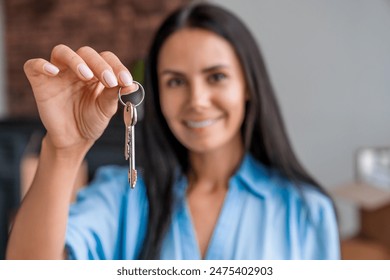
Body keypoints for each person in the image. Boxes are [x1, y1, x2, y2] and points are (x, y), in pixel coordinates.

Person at [6, 2, 340, 260]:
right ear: (158, 94)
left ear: (248, 86)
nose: (197, 100)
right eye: (175, 81)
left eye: (216, 76)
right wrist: (64, 150)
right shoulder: (121, 196)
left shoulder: (306, 210)